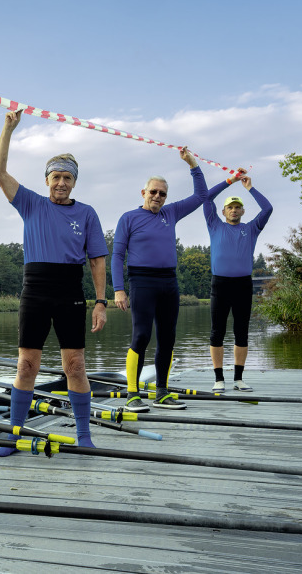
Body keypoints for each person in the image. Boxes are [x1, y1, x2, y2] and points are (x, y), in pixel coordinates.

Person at [0, 110, 109, 452]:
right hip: (36, 291)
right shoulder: (30, 203)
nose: (61, 183)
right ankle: (14, 435)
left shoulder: (86, 213)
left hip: (70, 290)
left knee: (75, 364)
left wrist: (100, 302)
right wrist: (8, 128)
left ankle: (84, 434)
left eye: (67, 178)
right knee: (27, 364)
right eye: (55, 177)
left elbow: (97, 261)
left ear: (74, 182)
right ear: (47, 180)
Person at [112, 148, 207, 411]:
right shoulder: (129, 218)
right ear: (143, 193)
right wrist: (119, 289)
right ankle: (133, 393)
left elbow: (201, 195)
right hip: (141, 281)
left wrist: (193, 164)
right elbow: (117, 255)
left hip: (169, 282)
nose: (157, 196)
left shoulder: (171, 213)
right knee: (141, 335)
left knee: (168, 338)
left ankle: (162, 392)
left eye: (162, 193)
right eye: (153, 192)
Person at [203, 170, 273, 392]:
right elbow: (206, 198)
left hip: (243, 285)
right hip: (220, 285)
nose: (234, 210)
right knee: (217, 332)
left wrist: (249, 188)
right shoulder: (215, 224)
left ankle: (239, 379)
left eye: (237, 207)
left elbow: (268, 209)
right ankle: (219, 379)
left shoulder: (251, 228)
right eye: (230, 207)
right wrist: (229, 181)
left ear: (242, 211)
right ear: (223, 212)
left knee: (241, 332)